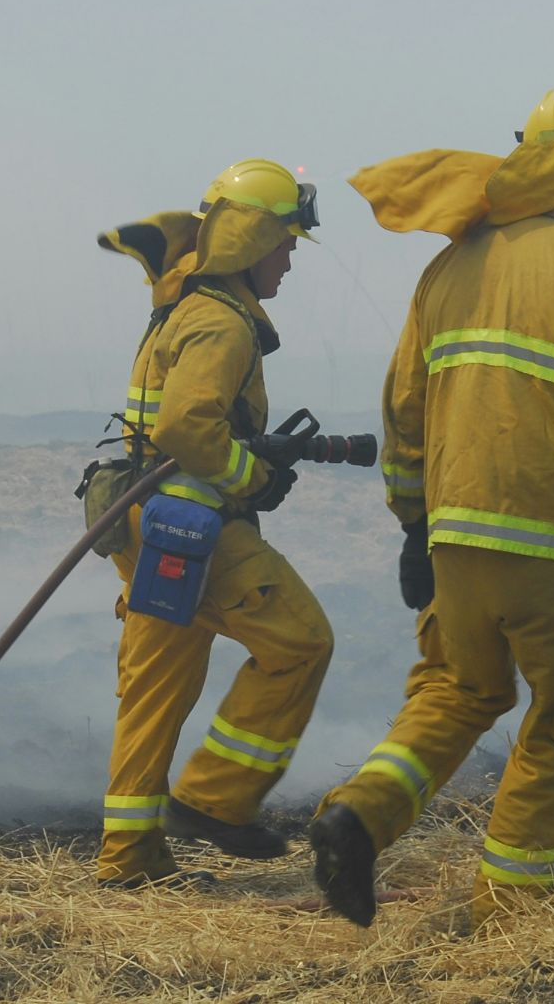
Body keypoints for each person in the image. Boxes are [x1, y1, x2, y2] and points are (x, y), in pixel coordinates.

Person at [309, 84, 554, 927]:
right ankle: (513, 917)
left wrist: (413, 522)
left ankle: (358, 815)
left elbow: (403, 405)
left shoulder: (450, 266)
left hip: (454, 541)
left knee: (454, 689)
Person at [91, 158, 333, 888]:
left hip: (145, 528)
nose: (290, 260)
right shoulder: (223, 325)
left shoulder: (185, 308)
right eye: (285, 243)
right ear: (253, 240)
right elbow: (189, 427)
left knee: (155, 691)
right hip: (193, 531)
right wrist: (253, 476)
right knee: (300, 642)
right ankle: (214, 799)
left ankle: (127, 862)